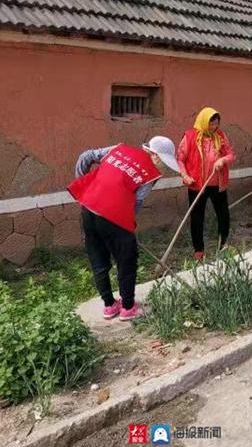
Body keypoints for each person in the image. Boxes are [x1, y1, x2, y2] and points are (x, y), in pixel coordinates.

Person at [68, 136, 179, 321]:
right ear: (156, 156)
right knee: (127, 260)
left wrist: (88, 187)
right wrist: (125, 227)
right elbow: (136, 204)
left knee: (99, 260)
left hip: (88, 210)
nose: (164, 168)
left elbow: (86, 156)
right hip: (115, 217)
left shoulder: (118, 149)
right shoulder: (149, 174)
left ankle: (110, 306)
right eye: (164, 164)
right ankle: (128, 307)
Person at [176, 107, 236, 259]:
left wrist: (222, 160)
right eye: (211, 124)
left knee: (223, 214)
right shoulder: (190, 137)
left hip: (218, 184)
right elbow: (180, 159)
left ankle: (223, 243)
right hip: (197, 185)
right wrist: (185, 176)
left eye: (216, 124)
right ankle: (198, 250)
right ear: (203, 122)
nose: (214, 127)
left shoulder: (220, 135)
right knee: (197, 217)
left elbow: (230, 155)